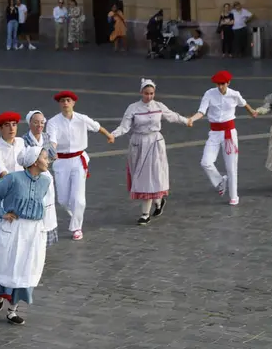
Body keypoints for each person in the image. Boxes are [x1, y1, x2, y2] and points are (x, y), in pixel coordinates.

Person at [0, 146, 51, 325]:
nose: (49, 161)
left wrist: (44, 229)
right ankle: (1, 294)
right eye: (45, 158)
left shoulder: (46, 182)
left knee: (26, 270)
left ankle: (12, 310)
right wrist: (1, 212)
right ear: (35, 161)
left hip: (34, 232)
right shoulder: (13, 179)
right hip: (15, 228)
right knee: (8, 266)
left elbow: (46, 206)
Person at [111, 78, 192, 225]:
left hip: (155, 143)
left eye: (152, 93)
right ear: (141, 92)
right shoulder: (133, 108)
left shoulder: (159, 106)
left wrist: (186, 121)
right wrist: (113, 135)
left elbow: (172, 116)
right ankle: (158, 202)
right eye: (146, 93)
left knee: (152, 175)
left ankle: (145, 214)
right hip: (139, 143)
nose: (149, 96)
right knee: (142, 175)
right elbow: (124, 126)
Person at [46, 91, 115, 240]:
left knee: (79, 199)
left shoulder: (82, 119)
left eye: (68, 100)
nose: (65, 103)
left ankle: (77, 227)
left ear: (73, 103)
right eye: (62, 101)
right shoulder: (53, 122)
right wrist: (50, 154)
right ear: (59, 104)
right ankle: (76, 213)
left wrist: (109, 135)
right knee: (63, 200)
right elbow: (52, 140)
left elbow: (97, 127)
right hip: (61, 161)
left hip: (78, 160)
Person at [189, 70, 257, 205]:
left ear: (228, 83)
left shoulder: (234, 94)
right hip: (214, 133)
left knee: (231, 166)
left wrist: (252, 112)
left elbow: (244, 103)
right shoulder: (209, 94)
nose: (220, 87)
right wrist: (192, 119)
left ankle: (234, 196)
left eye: (222, 84)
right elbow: (201, 111)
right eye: (218, 84)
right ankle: (220, 181)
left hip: (229, 134)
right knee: (205, 162)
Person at [22, 110, 59, 246]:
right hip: (31, 176)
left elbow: (54, 155)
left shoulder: (46, 137)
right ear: (30, 123)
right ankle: (33, 241)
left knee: (47, 208)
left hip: (45, 175)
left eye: (42, 122)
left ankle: (43, 243)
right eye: (36, 122)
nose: (39, 125)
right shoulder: (24, 139)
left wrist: (48, 158)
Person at [0, 111, 26, 231]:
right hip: (2, 193)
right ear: (0, 128)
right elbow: (0, 169)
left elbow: (26, 161)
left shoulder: (21, 142)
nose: (11, 128)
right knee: (2, 229)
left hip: (20, 191)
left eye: (14, 124)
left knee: (19, 228)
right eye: (7, 125)